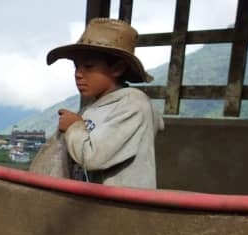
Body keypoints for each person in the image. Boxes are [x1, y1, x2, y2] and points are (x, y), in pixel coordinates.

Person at [46, 18, 163, 188]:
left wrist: (74, 127)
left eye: (88, 66)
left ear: (117, 69)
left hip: (119, 210)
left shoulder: (133, 105)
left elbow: (93, 157)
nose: (78, 74)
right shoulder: (91, 109)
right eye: (76, 67)